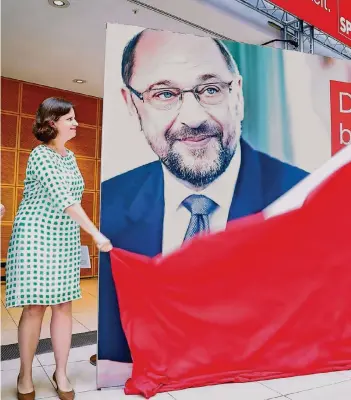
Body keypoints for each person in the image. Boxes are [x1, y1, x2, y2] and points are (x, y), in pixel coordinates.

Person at [97, 29, 309, 366]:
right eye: (164, 94)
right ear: (132, 105)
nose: (193, 118)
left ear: (236, 95)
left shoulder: (302, 200)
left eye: (210, 90)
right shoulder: (109, 205)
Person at [5, 97, 112, 400]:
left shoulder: (71, 157)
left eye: (75, 118)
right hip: (35, 237)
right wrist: (95, 233)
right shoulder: (40, 155)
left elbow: (72, 200)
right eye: (70, 119)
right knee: (35, 307)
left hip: (64, 240)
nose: (76, 123)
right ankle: (25, 374)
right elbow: (66, 200)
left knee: (64, 306)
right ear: (52, 123)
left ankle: (60, 371)